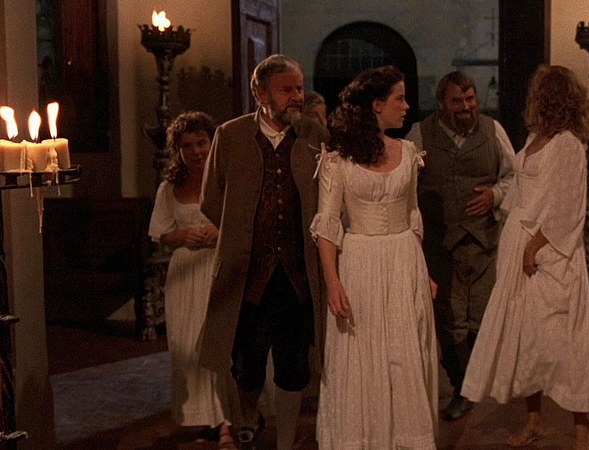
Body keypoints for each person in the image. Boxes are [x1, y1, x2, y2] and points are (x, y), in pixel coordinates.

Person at [460, 65, 589, 450]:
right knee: (526, 336)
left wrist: (534, 246)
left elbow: (568, 206)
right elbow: (519, 193)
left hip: (551, 249)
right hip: (520, 239)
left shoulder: (568, 145)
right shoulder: (535, 138)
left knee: (564, 337)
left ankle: (582, 430)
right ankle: (533, 421)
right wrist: (509, 244)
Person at [197, 54, 329, 450]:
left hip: (297, 275)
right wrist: (241, 233)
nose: (297, 96)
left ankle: (285, 440)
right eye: (286, 89)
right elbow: (211, 199)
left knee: (294, 364)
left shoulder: (314, 136)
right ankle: (249, 416)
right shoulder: (231, 135)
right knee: (246, 362)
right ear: (260, 93)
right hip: (247, 275)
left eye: (299, 88)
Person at [311, 65, 439, 449]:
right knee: (362, 353)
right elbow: (327, 224)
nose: (407, 106)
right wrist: (332, 281)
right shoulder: (338, 159)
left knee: (404, 351)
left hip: (404, 261)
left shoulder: (409, 152)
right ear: (377, 105)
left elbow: (413, 217)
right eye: (400, 98)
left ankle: (407, 439)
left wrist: (424, 272)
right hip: (361, 261)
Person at [405, 70, 515, 421]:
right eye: (457, 101)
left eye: (470, 99)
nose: (466, 107)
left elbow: (514, 176)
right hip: (441, 245)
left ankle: (473, 384)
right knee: (449, 322)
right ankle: (461, 386)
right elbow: (404, 183)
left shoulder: (493, 131)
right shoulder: (420, 134)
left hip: (484, 244)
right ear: (441, 103)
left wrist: (495, 195)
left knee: (481, 319)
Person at [147, 111, 235, 448]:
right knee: (190, 347)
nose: (196, 151)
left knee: (219, 344)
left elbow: (243, 221)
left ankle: (228, 421)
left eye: (201, 143)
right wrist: (184, 235)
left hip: (219, 267)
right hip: (185, 273)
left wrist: (219, 232)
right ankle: (208, 417)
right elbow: (162, 233)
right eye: (188, 145)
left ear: (212, 143)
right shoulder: (169, 188)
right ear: (178, 150)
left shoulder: (227, 178)